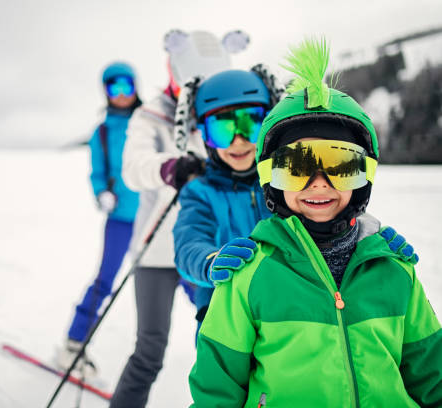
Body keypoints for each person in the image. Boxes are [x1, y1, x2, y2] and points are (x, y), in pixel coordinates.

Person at [189, 38, 441, 407]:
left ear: (364, 176)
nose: (319, 182)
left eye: (341, 166)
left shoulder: (394, 271)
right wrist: (210, 261)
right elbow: (216, 390)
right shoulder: (249, 276)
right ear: (271, 177)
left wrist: (383, 251)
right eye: (297, 167)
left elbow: (432, 377)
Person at [109, 29, 249, 408]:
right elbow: (133, 169)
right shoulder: (151, 114)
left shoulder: (220, 111)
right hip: (157, 252)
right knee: (149, 351)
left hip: (206, 247)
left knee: (222, 342)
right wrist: (172, 167)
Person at [172, 67, 278, 334]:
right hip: (225, 322)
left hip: (289, 314)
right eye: (222, 129)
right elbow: (188, 244)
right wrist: (212, 261)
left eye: (249, 124)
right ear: (205, 137)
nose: (238, 141)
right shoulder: (200, 192)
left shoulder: (286, 181)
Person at [57, 61, 142, 377]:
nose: (121, 94)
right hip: (120, 219)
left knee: (188, 279)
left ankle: (224, 351)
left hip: (154, 218)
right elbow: (97, 173)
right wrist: (101, 193)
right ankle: (72, 345)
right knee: (105, 280)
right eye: (114, 88)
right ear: (106, 92)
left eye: (127, 87)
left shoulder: (148, 122)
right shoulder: (103, 132)